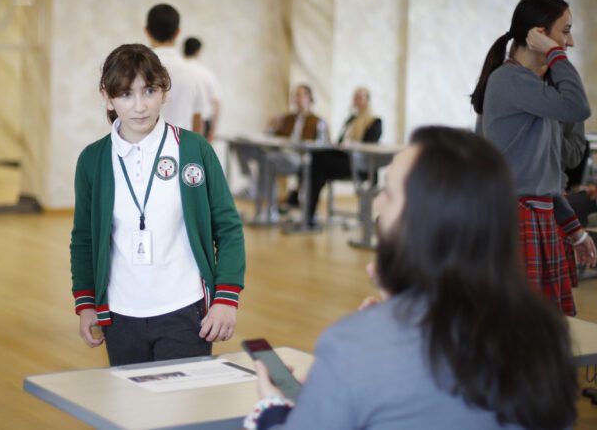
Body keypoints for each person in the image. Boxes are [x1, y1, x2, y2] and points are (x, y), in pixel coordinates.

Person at [245, 126, 578, 430]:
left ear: (422, 223)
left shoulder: (352, 346)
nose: (376, 202)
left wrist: (271, 410)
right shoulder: (545, 337)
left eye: (389, 192)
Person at [70, 44, 245, 366]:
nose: (139, 106)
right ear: (108, 98)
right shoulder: (93, 160)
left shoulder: (194, 150)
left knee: (183, 398)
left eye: (149, 91)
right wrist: (86, 303)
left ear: (164, 92)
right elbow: (83, 239)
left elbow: (228, 228)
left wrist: (226, 298)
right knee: (130, 399)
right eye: (126, 94)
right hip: (120, 314)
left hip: (186, 310)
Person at [472, 0, 597, 316]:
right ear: (539, 34)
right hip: (517, 219)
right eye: (565, 31)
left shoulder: (531, 87)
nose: (570, 42)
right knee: (522, 329)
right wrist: (554, 53)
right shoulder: (510, 79)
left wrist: (574, 229)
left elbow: (542, 179)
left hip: (537, 216)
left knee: (541, 331)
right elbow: (578, 106)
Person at [237, 84, 328, 223]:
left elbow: (323, 145)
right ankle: (264, 205)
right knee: (261, 157)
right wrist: (271, 126)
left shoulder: (317, 121)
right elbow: (270, 136)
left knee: (268, 160)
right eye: (294, 95)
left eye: (300, 95)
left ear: (309, 98)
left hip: (301, 158)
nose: (296, 98)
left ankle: (264, 202)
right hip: (282, 155)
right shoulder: (287, 119)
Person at [305, 87, 382, 226]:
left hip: (360, 165)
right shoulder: (350, 120)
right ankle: (308, 212)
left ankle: (306, 210)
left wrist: (350, 145)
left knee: (318, 165)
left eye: (360, 97)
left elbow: (369, 146)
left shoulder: (375, 122)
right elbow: (340, 141)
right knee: (315, 160)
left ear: (368, 100)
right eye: (355, 97)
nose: (356, 100)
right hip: (343, 159)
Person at [146, 4, 207, 133]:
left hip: (143, 144)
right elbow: (197, 121)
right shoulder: (194, 72)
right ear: (178, 31)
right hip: (181, 143)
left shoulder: (136, 69)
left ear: (147, 31)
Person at [184, 37, 221, 142]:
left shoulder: (176, 71)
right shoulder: (206, 74)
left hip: (179, 122)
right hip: (202, 124)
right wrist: (213, 130)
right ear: (198, 52)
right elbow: (217, 103)